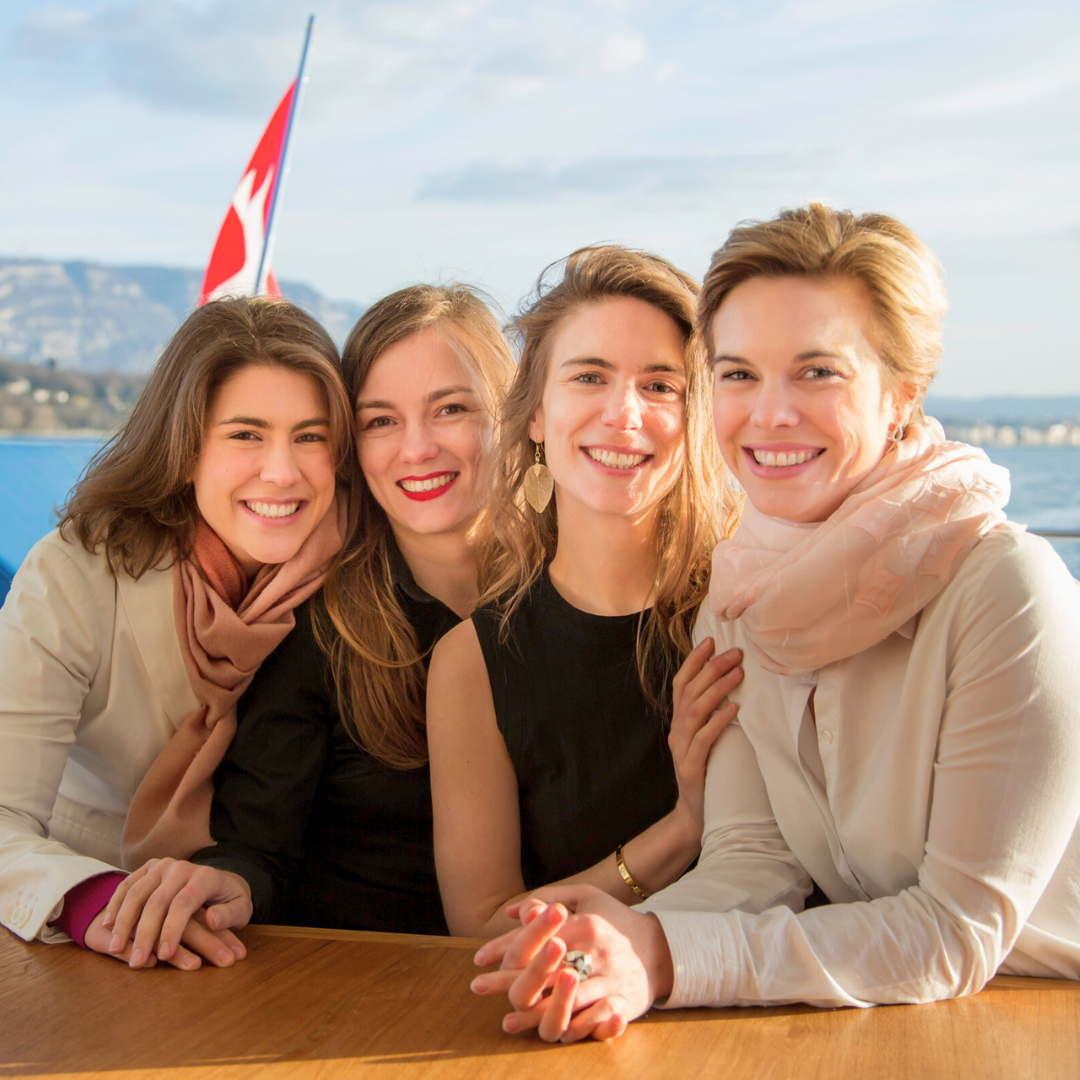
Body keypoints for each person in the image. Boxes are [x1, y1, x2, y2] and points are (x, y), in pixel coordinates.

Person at [472, 204, 1080, 1041]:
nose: (769, 414)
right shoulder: (738, 601)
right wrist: (605, 942)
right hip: (909, 1016)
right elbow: (756, 864)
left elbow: (956, 932)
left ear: (903, 394)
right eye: (738, 374)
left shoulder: (1006, 590)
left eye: (817, 372)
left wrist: (662, 954)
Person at [101, 284, 516, 956]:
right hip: (356, 988)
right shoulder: (323, 625)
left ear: (513, 413)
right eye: (381, 420)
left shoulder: (569, 597)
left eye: (451, 409)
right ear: (354, 448)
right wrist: (223, 884)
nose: (416, 449)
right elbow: (258, 847)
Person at [0, 297, 351, 971]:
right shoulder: (75, 575)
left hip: (293, 941)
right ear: (185, 450)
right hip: (98, 932)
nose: (282, 471)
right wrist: (90, 898)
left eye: (310, 436)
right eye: (246, 435)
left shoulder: (356, 573)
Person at [427, 246, 744, 939]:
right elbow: (480, 929)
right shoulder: (473, 663)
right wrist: (683, 830)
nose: (622, 413)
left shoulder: (745, 614)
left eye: (660, 385)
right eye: (589, 377)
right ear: (536, 415)